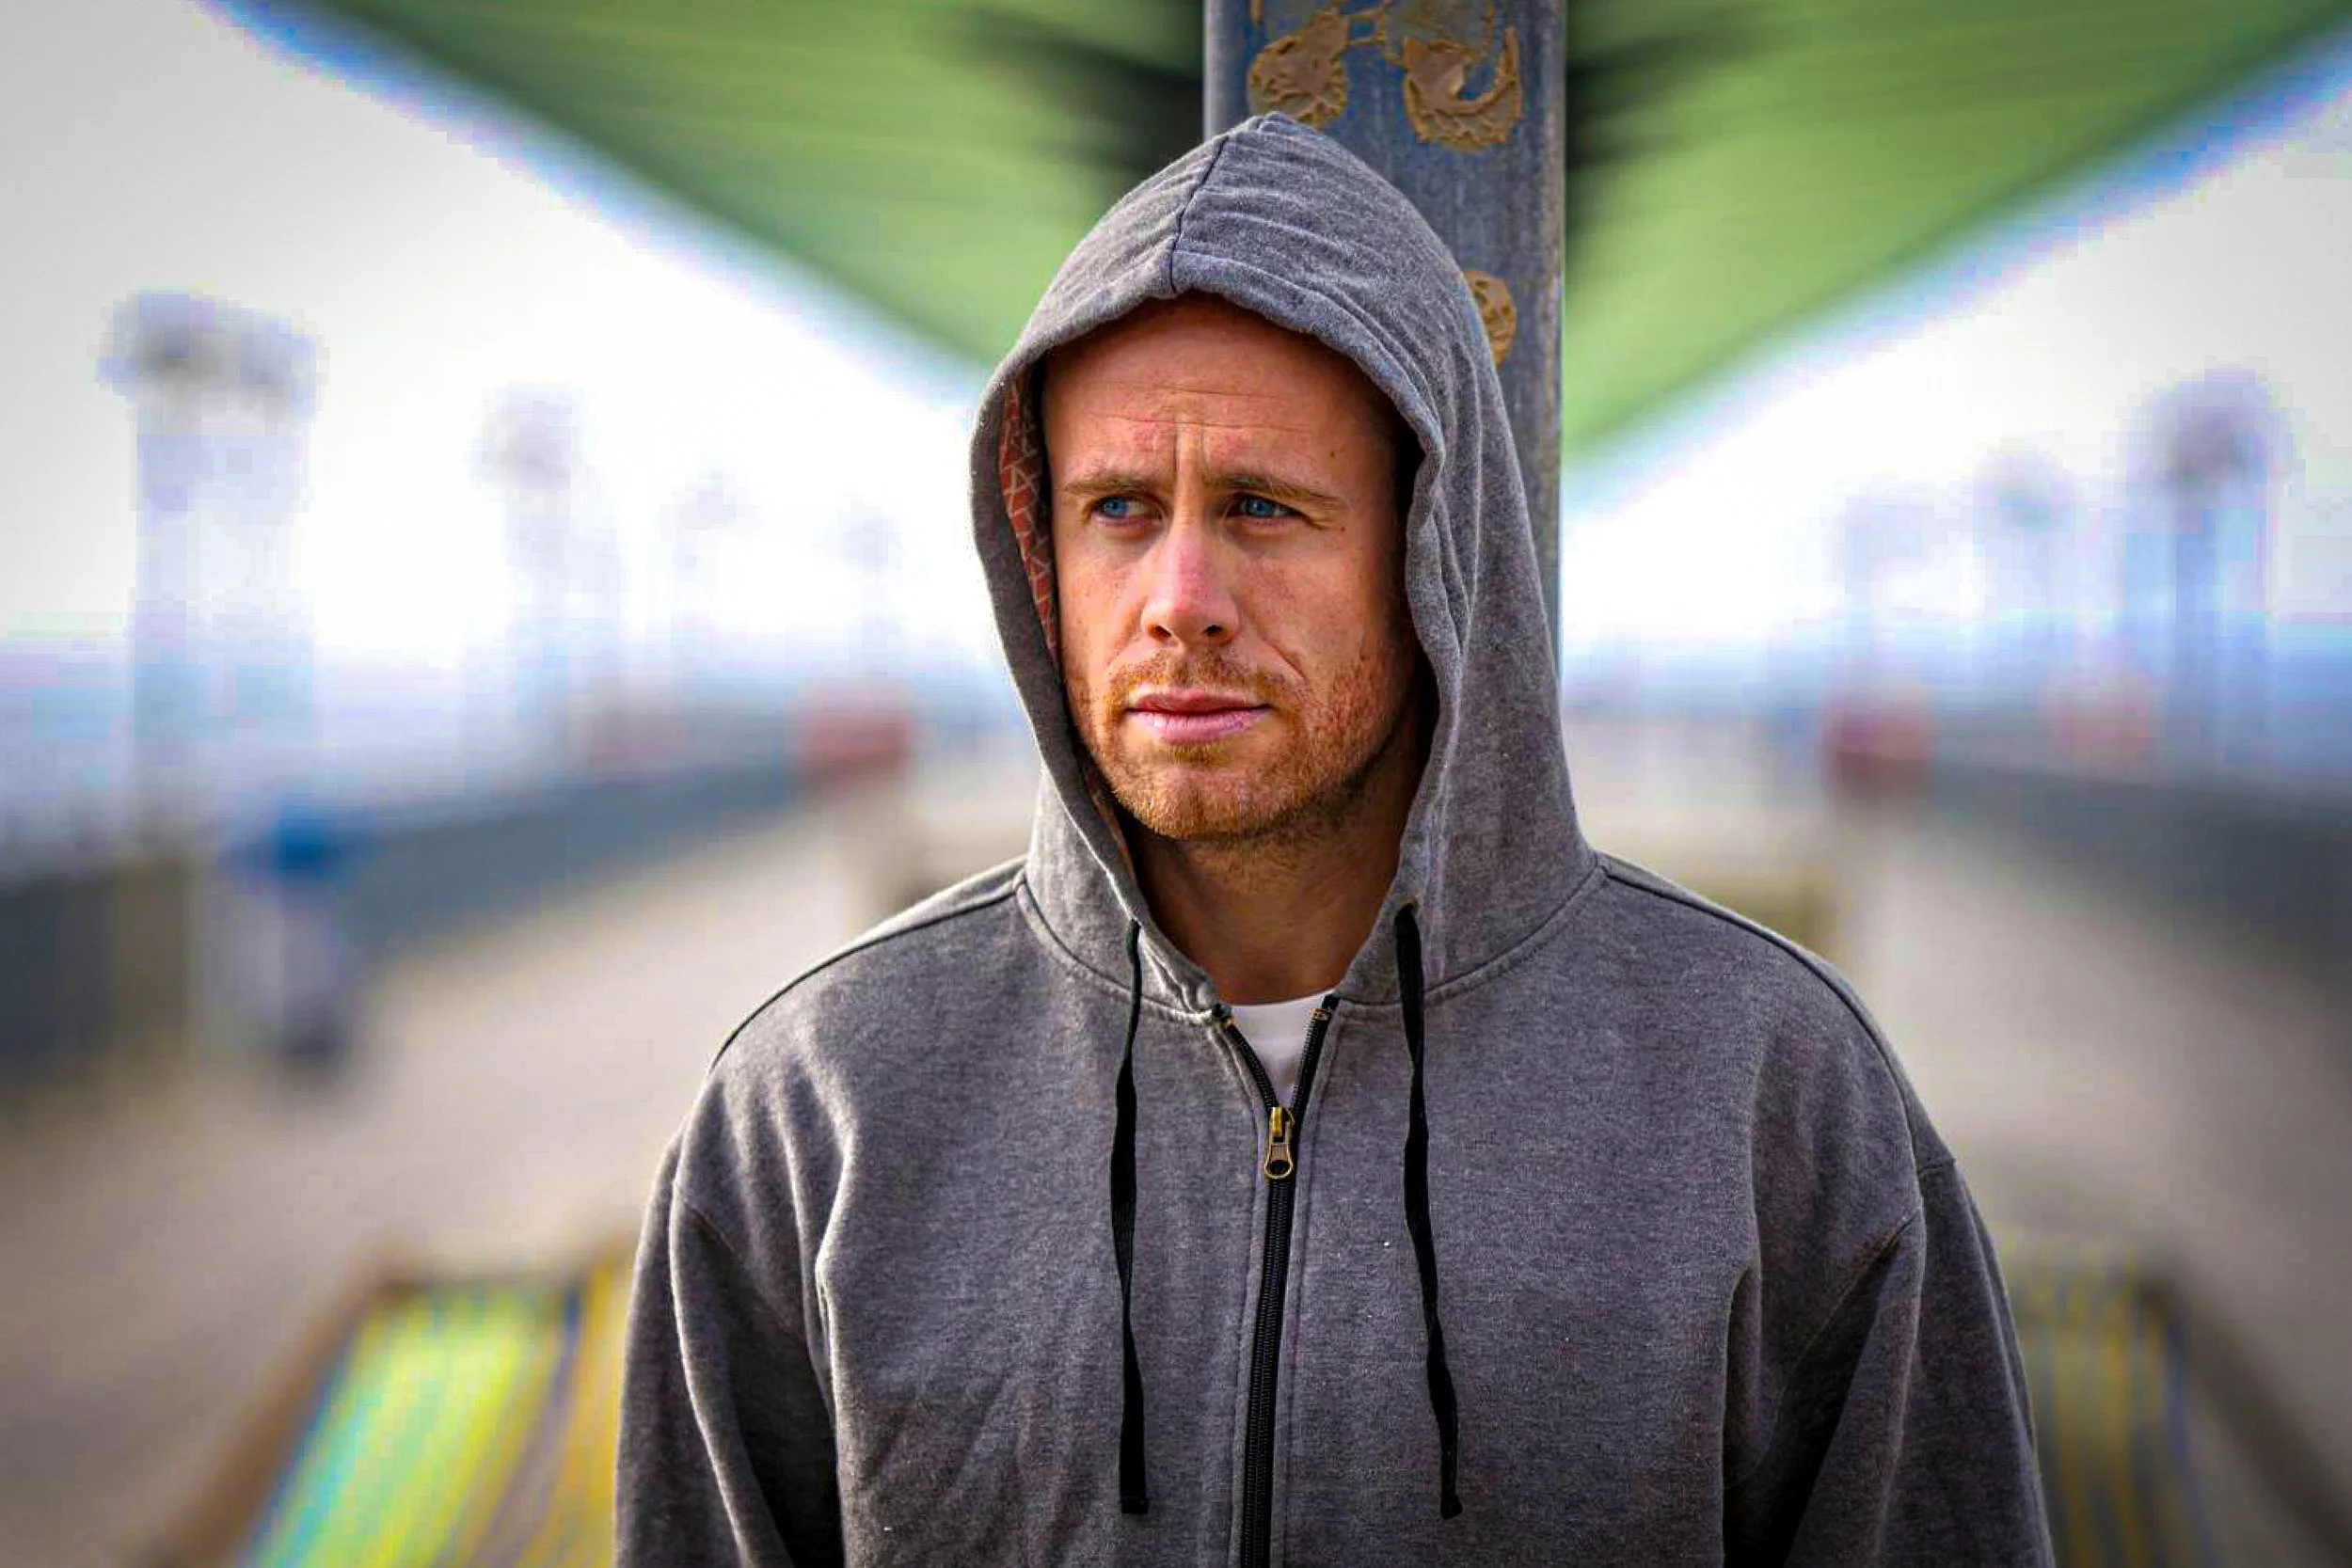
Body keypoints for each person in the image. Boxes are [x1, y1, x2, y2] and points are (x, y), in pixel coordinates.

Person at [618, 115, 2054, 1566]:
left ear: (1429, 554)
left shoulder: (1774, 1097)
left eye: (1262, 507)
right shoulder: (816, 1107)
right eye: (1118, 507)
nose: (1181, 596)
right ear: (1040, 553)